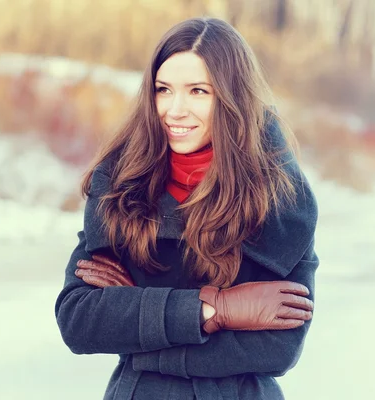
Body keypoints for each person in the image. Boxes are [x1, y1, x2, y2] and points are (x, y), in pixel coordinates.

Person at [54, 17, 319, 400]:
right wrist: (217, 310)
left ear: (232, 98)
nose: (175, 110)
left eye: (198, 91)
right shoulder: (121, 183)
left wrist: (141, 323)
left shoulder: (280, 197)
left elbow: (279, 348)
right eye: (164, 90)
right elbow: (79, 319)